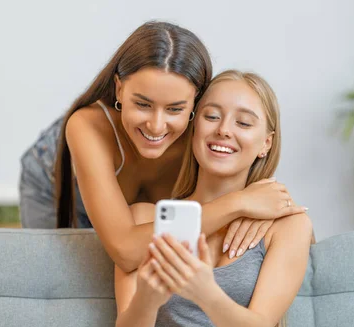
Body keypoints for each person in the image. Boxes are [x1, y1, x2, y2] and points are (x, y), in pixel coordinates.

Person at [19, 21, 307, 272]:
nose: (156, 126)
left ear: (195, 103)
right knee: (65, 274)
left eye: (175, 109)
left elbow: (283, 215)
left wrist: (270, 213)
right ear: (119, 89)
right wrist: (238, 204)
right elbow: (126, 250)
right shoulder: (87, 126)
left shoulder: (207, 132)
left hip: (140, 216)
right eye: (143, 104)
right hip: (57, 179)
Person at [115, 70, 313, 327]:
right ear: (194, 127)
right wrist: (148, 299)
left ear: (266, 143)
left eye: (243, 123)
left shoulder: (288, 226)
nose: (223, 130)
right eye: (212, 116)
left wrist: (205, 292)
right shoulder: (142, 220)